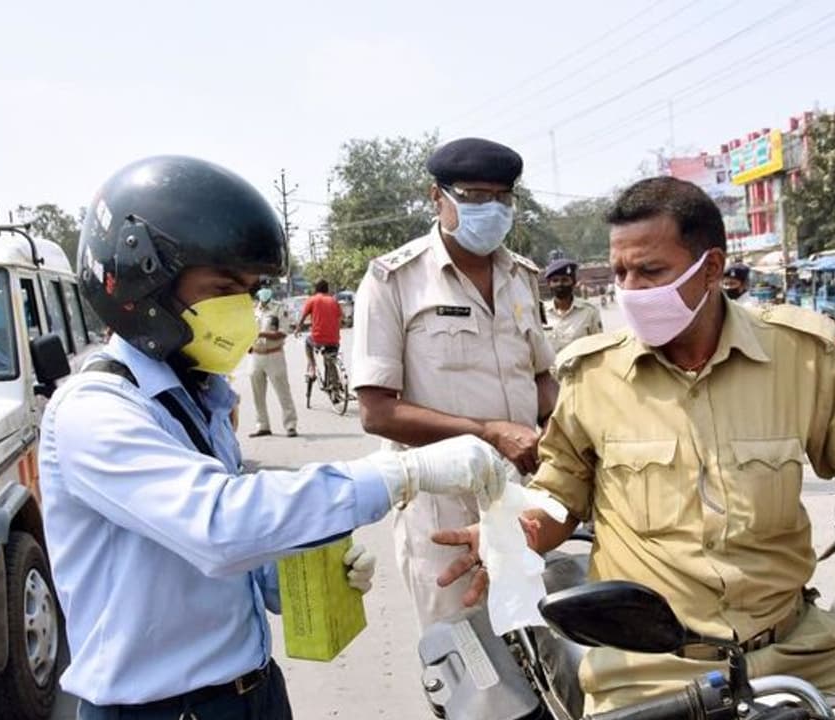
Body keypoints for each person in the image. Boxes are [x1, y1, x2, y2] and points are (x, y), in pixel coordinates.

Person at [435, 177, 835, 714]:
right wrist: (513, 536)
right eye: (620, 274)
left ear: (712, 267)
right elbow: (561, 492)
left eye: (650, 272)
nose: (630, 290)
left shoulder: (800, 358)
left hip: (796, 653)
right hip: (646, 671)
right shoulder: (592, 376)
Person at [39, 155, 518, 720]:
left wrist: (282, 574)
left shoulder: (197, 398)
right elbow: (219, 525)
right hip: (159, 709)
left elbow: (211, 557)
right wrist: (401, 473)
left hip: (251, 693)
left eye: (249, 290)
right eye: (223, 288)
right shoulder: (96, 412)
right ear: (146, 283)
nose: (244, 309)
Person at [351, 137, 557, 626]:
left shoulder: (522, 275)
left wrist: (563, 435)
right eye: (474, 198)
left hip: (527, 495)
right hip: (443, 507)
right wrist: (488, 432)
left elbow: (543, 380)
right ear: (436, 196)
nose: (491, 210)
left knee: (540, 638)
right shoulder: (393, 280)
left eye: (502, 199)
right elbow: (377, 411)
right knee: (468, 658)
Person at [247, 287, 299, 437]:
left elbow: (282, 333)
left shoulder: (279, 308)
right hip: (255, 355)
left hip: (274, 355)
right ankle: (263, 426)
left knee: (283, 392)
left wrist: (259, 334)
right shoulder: (253, 309)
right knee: (257, 394)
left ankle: (290, 425)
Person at [542, 257, 603, 354]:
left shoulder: (589, 312)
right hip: (551, 369)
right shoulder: (540, 313)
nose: (560, 284)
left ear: (573, 283)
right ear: (549, 284)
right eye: (555, 280)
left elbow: (599, 347)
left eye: (565, 280)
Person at [297, 279, 342, 381]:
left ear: (315, 289)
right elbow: (340, 319)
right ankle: (335, 382)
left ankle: (312, 368)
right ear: (327, 289)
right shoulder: (334, 300)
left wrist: (297, 329)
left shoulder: (312, 300)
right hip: (334, 340)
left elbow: (303, 317)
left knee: (307, 342)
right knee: (330, 357)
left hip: (318, 339)